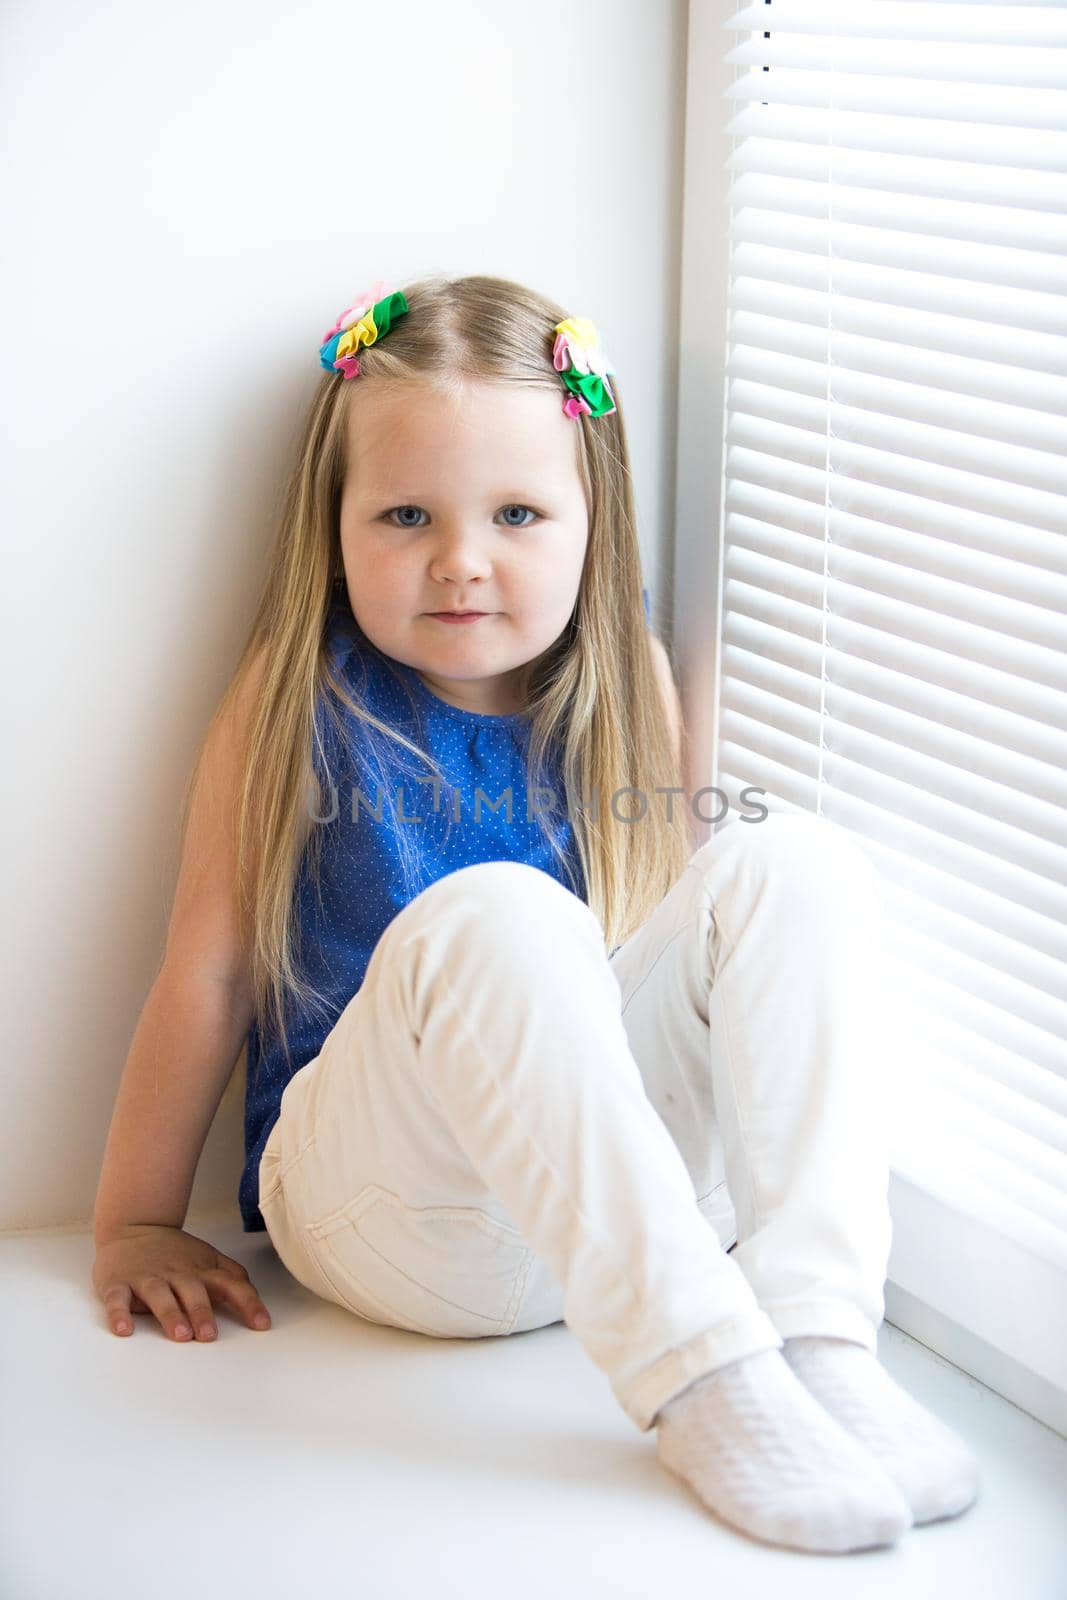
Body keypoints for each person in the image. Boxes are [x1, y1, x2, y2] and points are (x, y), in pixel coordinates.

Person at [91, 274, 980, 1556]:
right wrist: (132, 1218)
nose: (460, 558)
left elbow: (685, 975)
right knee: (501, 911)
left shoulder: (627, 691)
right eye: (405, 513)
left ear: (587, 520)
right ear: (332, 525)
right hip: (382, 1210)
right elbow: (212, 974)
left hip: (586, 1214)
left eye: (515, 512)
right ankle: (699, 1380)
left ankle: (818, 1339)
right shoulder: (294, 704)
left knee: (796, 862)